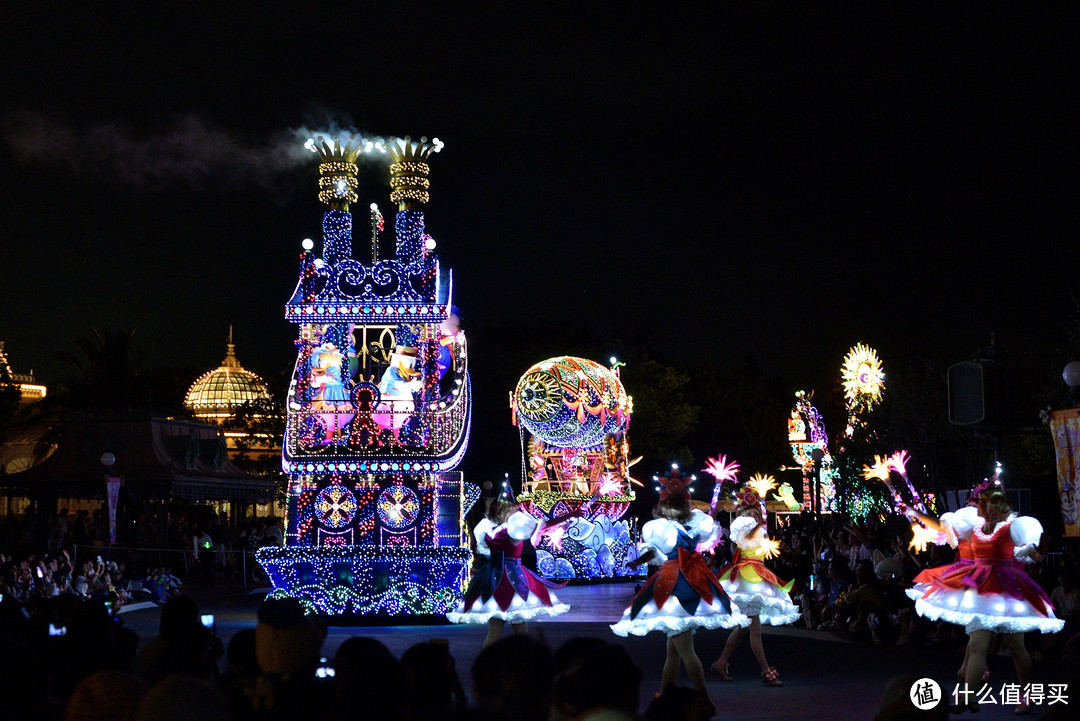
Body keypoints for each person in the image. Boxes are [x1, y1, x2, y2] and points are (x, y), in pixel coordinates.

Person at [906, 488, 1064, 714]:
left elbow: (1032, 555)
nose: (976, 506)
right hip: (979, 590)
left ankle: (1026, 697)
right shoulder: (974, 529)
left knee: (1017, 648)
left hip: (1007, 592)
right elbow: (942, 527)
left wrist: (1041, 553)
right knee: (978, 646)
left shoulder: (1011, 529)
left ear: (991, 507)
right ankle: (968, 698)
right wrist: (914, 512)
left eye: (980, 503)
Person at [610, 474, 748, 707]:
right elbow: (654, 552)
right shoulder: (691, 528)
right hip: (692, 581)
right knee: (673, 652)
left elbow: (655, 552)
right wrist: (638, 561)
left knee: (686, 652)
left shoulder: (667, 529)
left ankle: (704, 699)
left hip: (675, 586)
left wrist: (639, 561)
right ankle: (664, 696)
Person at [446, 484, 582, 647]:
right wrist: (571, 515)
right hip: (513, 581)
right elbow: (545, 526)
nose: (517, 509)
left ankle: (488, 664)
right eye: (514, 507)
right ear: (508, 508)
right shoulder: (515, 526)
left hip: (492, 579)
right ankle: (522, 665)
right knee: (519, 631)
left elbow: (485, 549)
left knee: (497, 631)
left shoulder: (487, 527)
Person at [710, 477, 799, 686]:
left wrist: (762, 500)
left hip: (758, 575)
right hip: (747, 578)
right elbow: (744, 538)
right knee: (755, 629)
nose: (752, 515)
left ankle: (721, 662)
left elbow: (764, 537)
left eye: (755, 512)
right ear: (741, 514)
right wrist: (759, 520)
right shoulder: (741, 528)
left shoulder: (759, 528)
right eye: (748, 512)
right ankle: (766, 671)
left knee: (744, 627)